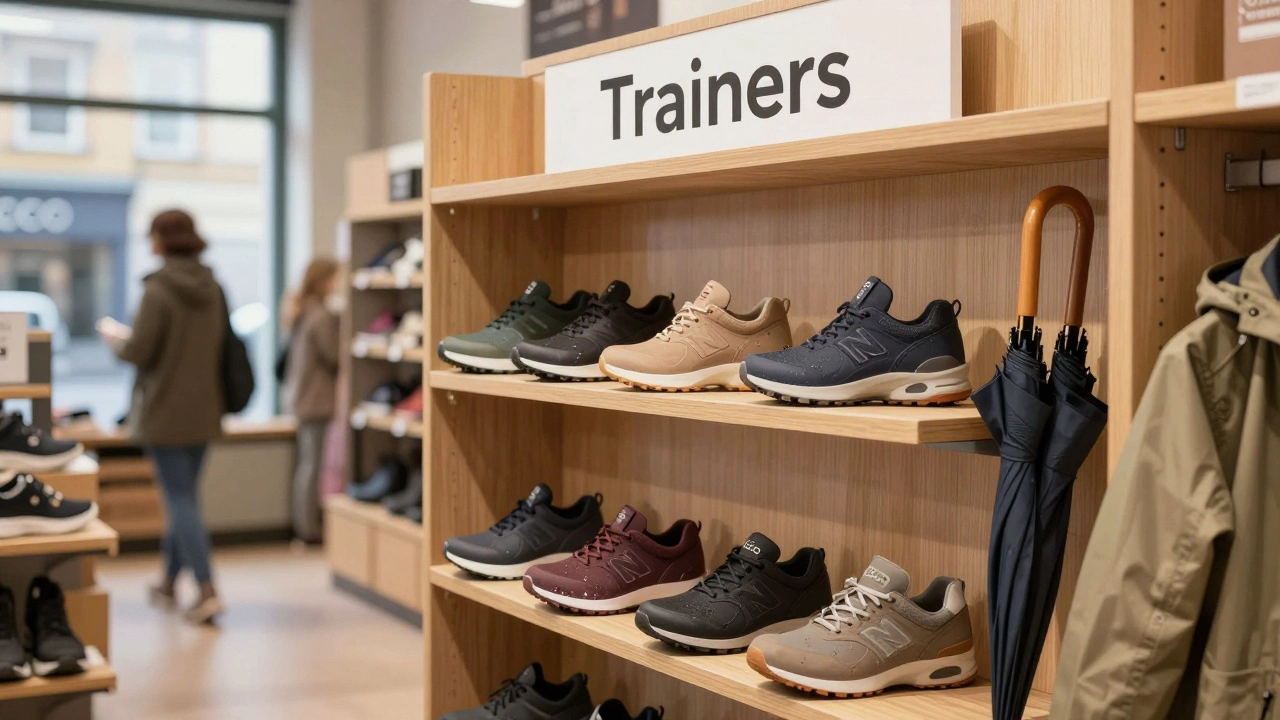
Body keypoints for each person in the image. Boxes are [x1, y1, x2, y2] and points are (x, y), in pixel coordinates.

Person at [97, 209, 225, 625]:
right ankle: (170, 581)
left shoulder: (158, 290)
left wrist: (115, 338)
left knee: (181, 500)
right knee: (183, 497)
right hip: (206, 410)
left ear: (161, 239)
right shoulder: (214, 287)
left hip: (165, 414)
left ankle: (206, 590)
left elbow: (138, 353)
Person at [280, 257, 340, 543]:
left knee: (307, 463)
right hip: (315, 399)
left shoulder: (302, 312)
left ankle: (304, 526)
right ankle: (308, 529)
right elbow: (333, 355)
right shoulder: (322, 316)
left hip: (300, 398)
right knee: (311, 465)